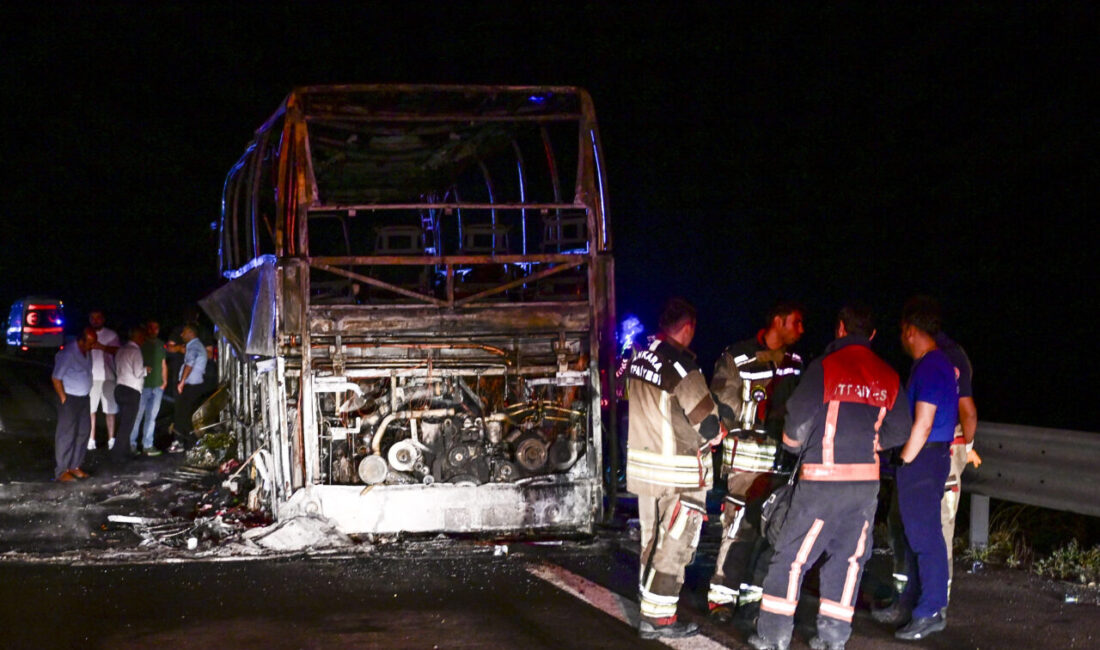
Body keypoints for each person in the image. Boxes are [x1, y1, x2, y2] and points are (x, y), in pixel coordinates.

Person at [748, 303, 912, 650]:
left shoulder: (824, 368)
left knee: (792, 557)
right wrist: (869, 443)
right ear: (871, 335)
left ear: (839, 329)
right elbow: (901, 429)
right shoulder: (888, 375)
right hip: (865, 486)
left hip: (821, 482)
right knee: (850, 559)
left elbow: (795, 424)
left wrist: (797, 445)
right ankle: (833, 638)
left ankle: (773, 636)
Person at [625, 298, 725, 640]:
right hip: (678, 472)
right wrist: (719, 430)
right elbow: (709, 425)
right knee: (675, 544)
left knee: (652, 540)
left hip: (645, 469)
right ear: (688, 328)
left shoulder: (639, 357)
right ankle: (659, 618)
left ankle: (648, 602)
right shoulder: (682, 367)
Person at [707, 302, 805, 622]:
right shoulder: (737, 358)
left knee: (772, 533)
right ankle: (722, 598)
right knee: (739, 529)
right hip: (746, 464)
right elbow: (723, 407)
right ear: (778, 321)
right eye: (796, 323)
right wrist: (763, 417)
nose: (801, 330)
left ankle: (754, 598)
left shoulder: (796, 362)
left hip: (782, 464)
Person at [874, 296, 959, 641]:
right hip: (929, 457)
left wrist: (903, 459)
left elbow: (923, 423)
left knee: (925, 538)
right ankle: (915, 604)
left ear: (910, 330)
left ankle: (931, 611)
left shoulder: (930, 366)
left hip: (923, 459)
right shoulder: (936, 364)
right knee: (915, 536)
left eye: (902, 332)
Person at [935, 328, 980, 597]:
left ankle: (939, 597)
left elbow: (968, 412)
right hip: (941, 447)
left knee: (942, 524)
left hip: (949, 447)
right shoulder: (943, 354)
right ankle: (915, 592)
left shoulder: (948, 357)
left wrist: (967, 447)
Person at [52, 327, 97, 482]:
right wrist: (63, 398)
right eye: (90, 343)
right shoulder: (69, 353)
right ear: (81, 340)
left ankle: (74, 466)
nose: (92, 346)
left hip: (83, 398)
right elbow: (56, 378)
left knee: (83, 432)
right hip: (70, 398)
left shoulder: (86, 351)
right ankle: (61, 471)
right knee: (67, 434)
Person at [130, 319, 167, 456]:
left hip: (157, 386)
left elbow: (163, 364)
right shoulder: (140, 344)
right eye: (150, 328)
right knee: (137, 416)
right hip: (142, 386)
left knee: (152, 417)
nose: (153, 330)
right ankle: (132, 444)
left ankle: (147, 444)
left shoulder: (160, 344)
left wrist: (164, 381)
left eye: (156, 328)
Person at [111, 325, 147, 464]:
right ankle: (118, 454)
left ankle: (125, 452)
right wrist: (146, 370)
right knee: (127, 425)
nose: (143, 340)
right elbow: (138, 372)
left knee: (124, 422)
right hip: (131, 390)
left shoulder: (121, 350)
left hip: (119, 388)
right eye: (142, 337)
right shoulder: (135, 351)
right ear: (138, 337)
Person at [170, 323, 207, 452]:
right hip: (194, 386)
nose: (181, 335)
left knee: (182, 415)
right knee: (187, 415)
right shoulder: (195, 345)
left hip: (190, 386)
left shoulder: (194, 346)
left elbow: (189, 365)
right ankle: (190, 443)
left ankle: (181, 443)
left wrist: (182, 382)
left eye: (184, 332)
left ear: (191, 333)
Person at [87, 309, 120, 450]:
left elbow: (118, 351)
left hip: (109, 377)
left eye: (98, 317)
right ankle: (91, 439)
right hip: (90, 378)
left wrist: (102, 347)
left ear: (103, 319)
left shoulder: (111, 334)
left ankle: (111, 439)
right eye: (93, 318)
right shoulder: (86, 334)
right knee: (90, 410)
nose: (95, 320)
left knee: (110, 410)